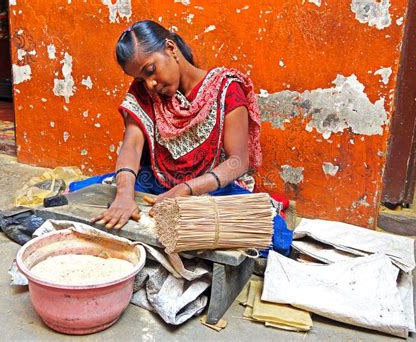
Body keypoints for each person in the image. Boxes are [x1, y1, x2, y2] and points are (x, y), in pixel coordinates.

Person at [90, 20, 292, 255]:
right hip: (158, 184)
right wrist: (124, 194)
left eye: (150, 70)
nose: (150, 84)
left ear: (171, 49)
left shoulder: (226, 88)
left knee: (274, 238)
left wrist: (186, 189)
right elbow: (132, 146)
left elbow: (238, 161)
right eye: (141, 79)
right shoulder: (142, 93)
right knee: (83, 196)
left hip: (209, 189)